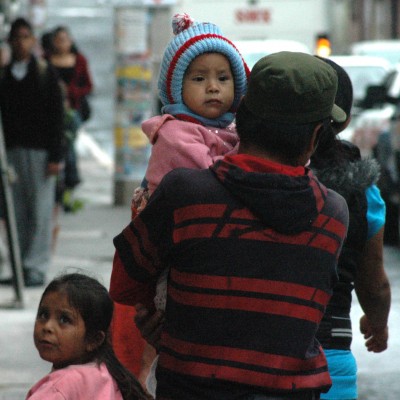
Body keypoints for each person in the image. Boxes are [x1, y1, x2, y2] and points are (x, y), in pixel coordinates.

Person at [110, 51, 350, 399]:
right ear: (314, 137)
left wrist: (168, 324)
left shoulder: (185, 193)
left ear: (241, 114)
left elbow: (125, 285)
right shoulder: (332, 214)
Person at [112, 12, 250, 390]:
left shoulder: (232, 129)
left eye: (223, 78)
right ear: (176, 87)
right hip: (176, 255)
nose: (213, 88)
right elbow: (212, 180)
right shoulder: (175, 133)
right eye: (199, 78)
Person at [310, 57, 391, 400]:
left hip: (245, 364)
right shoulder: (360, 188)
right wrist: (378, 323)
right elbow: (372, 278)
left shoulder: (233, 173)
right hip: (330, 358)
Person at [0, 17, 64, 287]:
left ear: (33, 40)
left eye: (25, 36)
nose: (20, 42)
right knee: (15, 211)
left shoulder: (44, 72)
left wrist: (55, 156)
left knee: (39, 211)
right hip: (11, 152)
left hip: (40, 154)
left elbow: (57, 116)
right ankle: (18, 265)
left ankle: (35, 266)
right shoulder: (3, 75)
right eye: (16, 37)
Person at [26, 272, 151, 400]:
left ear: (94, 339)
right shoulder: (104, 374)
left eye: (64, 320)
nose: (47, 327)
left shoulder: (57, 389)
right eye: (43, 315)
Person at [48, 25, 93, 211]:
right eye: (58, 39)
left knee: (68, 144)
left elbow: (88, 86)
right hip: (51, 112)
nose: (62, 43)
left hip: (72, 110)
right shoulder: (46, 61)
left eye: (65, 39)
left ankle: (70, 182)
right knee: (60, 145)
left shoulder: (79, 60)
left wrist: (71, 93)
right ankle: (63, 187)